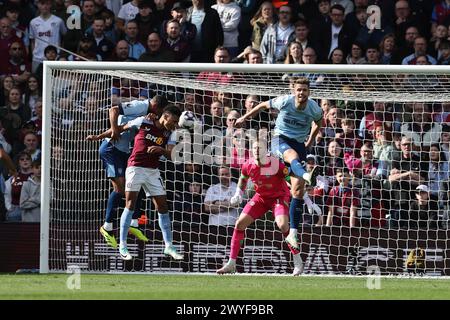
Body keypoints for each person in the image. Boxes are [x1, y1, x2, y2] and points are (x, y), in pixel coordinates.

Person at [235, 77, 322, 250]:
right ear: (294, 91)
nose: (301, 93)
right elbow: (261, 106)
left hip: (299, 143)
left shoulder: (314, 108)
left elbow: (319, 121)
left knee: (297, 190)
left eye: (304, 90)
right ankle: (306, 174)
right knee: (292, 156)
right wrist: (244, 117)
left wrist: (311, 139)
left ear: (309, 92)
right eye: (298, 90)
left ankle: (293, 234)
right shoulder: (284, 101)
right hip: (279, 139)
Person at [86, 96, 168, 249]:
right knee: (120, 189)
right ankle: (107, 227)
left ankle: (134, 223)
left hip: (124, 152)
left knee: (136, 184)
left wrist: (100, 135)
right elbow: (114, 110)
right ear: (156, 106)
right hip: (111, 149)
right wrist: (111, 131)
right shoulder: (141, 106)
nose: (159, 114)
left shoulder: (146, 118)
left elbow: (127, 125)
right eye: (160, 111)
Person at [216, 141, 304, 275]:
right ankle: (231, 263)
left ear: (265, 150)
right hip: (261, 198)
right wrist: (238, 193)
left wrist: (305, 198)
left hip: (278, 197)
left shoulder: (275, 164)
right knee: (240, 224)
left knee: (283, 226)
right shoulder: (248, 164)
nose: (257, 150)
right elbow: (243, 178)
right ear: (251, 150)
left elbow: (291, 179)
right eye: (255, 148)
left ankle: (297, 261)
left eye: (260, 147)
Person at [116, 105, 183, 261]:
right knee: (130, 204)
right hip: (135, 168)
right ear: (165, 116)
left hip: (152, 171)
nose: (175, 124)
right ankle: (123, 245)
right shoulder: (143, 122)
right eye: (173, 121)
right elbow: (123, 127)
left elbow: (172, 155)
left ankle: (169, 246)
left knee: (162, 205)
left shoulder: (170, 133)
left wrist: (161, 150)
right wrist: (106, 135)